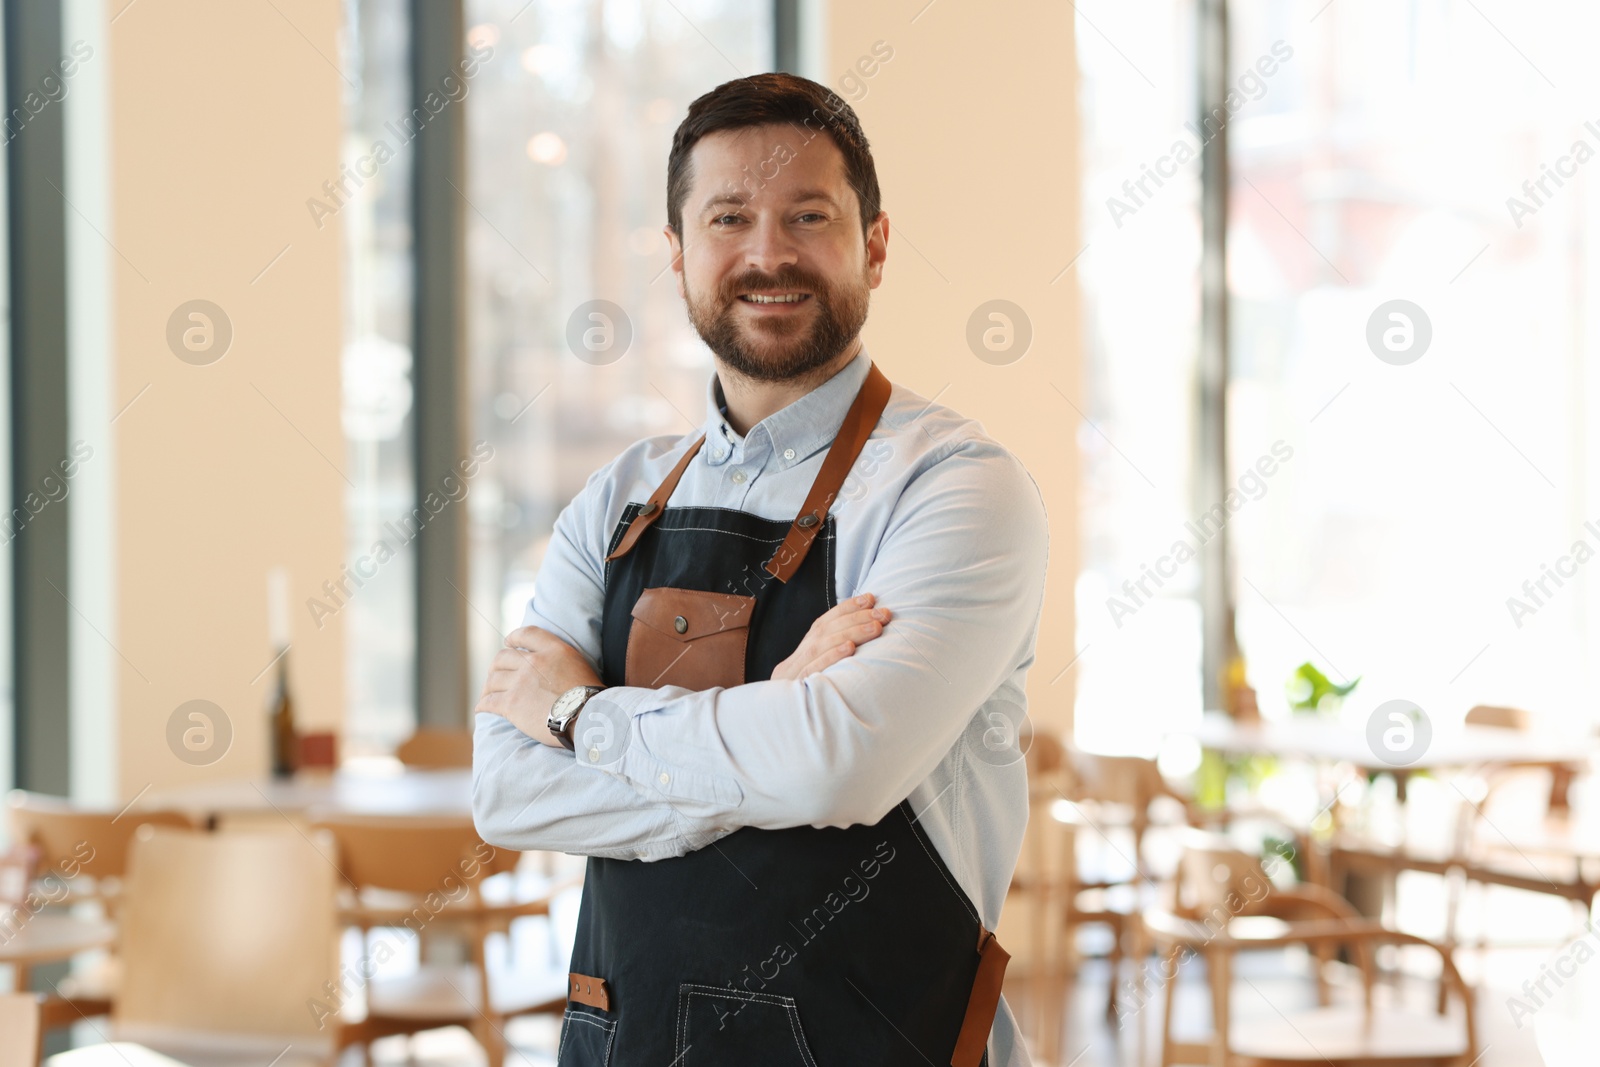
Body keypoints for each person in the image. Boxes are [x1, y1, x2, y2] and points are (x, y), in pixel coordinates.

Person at [473, 71, 1048, 1067]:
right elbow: (508, 793)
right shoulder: (614, 499)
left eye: (807, 215)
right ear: (678, 253)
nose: (767, 252)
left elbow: (840, 761)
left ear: (873, 243)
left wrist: (580, 717)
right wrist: (775, 712)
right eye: (728, 216)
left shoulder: (955, 487)